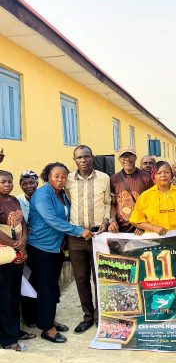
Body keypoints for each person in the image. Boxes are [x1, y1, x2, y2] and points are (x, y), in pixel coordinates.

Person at [27, 162, 93, 344]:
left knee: (49, 286)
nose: (60, 179)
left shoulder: (62, 193)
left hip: (55, 247)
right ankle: (47, 329)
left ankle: (46, 319)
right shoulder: (42, 195)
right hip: (40, 248)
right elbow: (52, 220)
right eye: (56, 176)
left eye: (63, 176)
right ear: (48, 176)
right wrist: (79, 231)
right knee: (47, 288)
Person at [65, 145, 111, 334]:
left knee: (99, 278)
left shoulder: (104, 178)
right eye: (79, 158)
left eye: (86, 157)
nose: (83, 160)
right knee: (81, 278)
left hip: (99, 236)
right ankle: (87, 317)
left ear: (92, 157)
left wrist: (106, 220)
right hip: (76, 236)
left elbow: (108, 202)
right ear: (74, 160)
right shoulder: (67, 180)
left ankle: (101, 317)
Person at [0, 170, 28, 351]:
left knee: (15, 295)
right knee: (4, 298)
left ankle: (15, 331)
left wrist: (24, 239)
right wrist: (15, 245)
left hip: (16, 254)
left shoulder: (14, 200)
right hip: (4, 256)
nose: (7, 185)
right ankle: (8, 340)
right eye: (3, 182)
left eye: (9, 182)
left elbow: (23, 222)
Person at [130, 161, 176, 234]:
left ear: (171, 175)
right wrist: (154, 228)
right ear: (153, 177)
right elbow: (135, 220)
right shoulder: (145, 196)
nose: (163, 175)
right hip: (154, 241)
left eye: (166, 172)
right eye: (159, 173)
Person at [109, 147, 153, 233]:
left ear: (135, 158)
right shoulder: (114, 179)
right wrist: (113, 220)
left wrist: (145, 225)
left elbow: (151, 204)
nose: (127, 159)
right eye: (123, 156)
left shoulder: (146, 178)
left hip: (141, 229)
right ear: (119, 160)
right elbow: (113, 204)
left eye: (130, 155)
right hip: (120, 230)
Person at [17, 171, 39, 329]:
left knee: (42, 282)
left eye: (31, 183)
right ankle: (30, 318)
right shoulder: (16, 201)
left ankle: (44, 315)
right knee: (26, 283)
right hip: (24, 248)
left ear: (37, 183)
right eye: (24, 184)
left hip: (41, 247)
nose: (28, 186)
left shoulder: (43, 199)